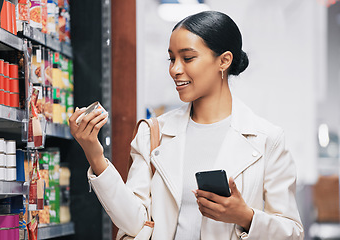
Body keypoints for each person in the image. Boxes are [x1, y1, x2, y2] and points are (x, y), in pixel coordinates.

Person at [69, 11, 304, 240]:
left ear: (224, 60)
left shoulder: (267, 139)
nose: (174, 69)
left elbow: (292, 232)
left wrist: (245, 216)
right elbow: (133, 222)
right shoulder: (153, 133)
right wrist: (94, 153)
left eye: (187, 58)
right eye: (171, 59)